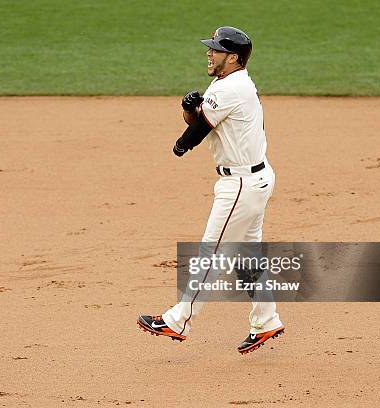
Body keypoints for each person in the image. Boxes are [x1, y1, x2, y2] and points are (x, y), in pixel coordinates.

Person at [137, 26, 284, 354]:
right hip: (255, 179)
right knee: (248, 258)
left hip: (241, 185)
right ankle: (267, 319)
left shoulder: (231, 88)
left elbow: (200, 128)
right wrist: (189, 108)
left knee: (211, 254)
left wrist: (180, 145)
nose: (209, 52)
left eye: (216, 49)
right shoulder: (230, 82)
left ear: (233, 58)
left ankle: (179, 320)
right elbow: (201, 117)